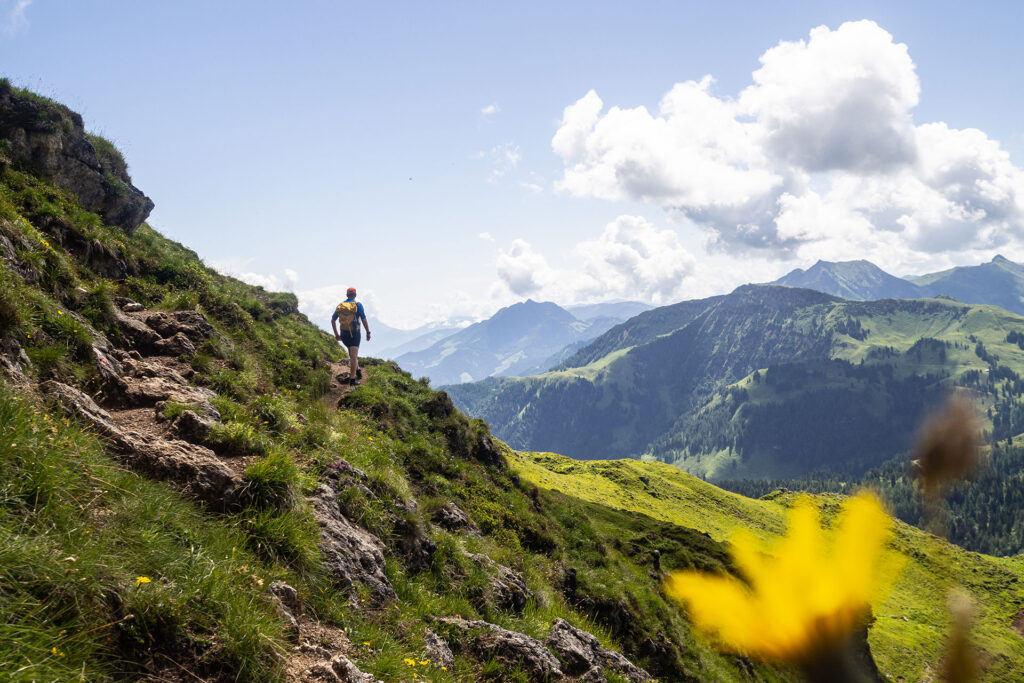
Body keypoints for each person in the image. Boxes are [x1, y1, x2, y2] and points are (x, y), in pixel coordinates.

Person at [331, 287, 370, 386]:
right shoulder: (358, 305)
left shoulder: (341, 306)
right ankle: (352, 380)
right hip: (355, 334)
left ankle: (358, 371)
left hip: (344, 333)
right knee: (354, 356)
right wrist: (368, 332)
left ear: (347, 295)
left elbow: (333, 320)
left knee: (352, 353)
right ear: (355, 295)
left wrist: (336, 334)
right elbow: (364, 319)